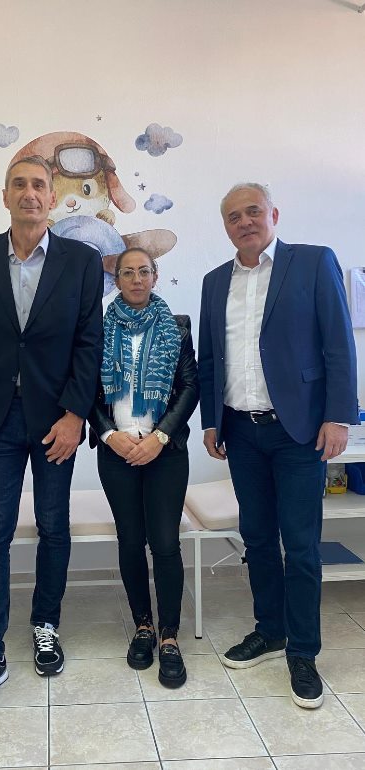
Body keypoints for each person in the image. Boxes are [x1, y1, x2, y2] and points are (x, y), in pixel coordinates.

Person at [198, 183, 358, 709]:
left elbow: (339, 343)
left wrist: (338, 416)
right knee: (258, 538)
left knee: (302, 545)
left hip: (299, 432)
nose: (244, 222)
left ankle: (304, 653)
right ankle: (270, 630)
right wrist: (211, 421)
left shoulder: (312, 263)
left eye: (253, 212)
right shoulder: (215, 281)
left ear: (274, 214)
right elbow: (209, 357)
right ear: (225, 226)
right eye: (233, 216)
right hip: (240, 431)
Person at [0, 155, 104, 710]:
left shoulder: (82, 261)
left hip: (55, 420)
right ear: (5, 196)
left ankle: (46, 625)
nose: (29, 193)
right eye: (19, 184)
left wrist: (75, 415)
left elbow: (88, 343)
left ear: (52, 195)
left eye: (39, 184)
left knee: (52, 525)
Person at [88, 248, 199, 688]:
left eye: (144, 271)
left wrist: (160, 437)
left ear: (156, 276)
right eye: (127, 272)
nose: (136, 279)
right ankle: (143, 627)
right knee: (131, 541)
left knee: (165, 543)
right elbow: (86, 388)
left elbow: (190, 386)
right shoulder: (98, 329)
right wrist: (108, 434)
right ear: (116, 280)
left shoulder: (177, 326)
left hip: (165, 451)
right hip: (115, 450)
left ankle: (169, 635)